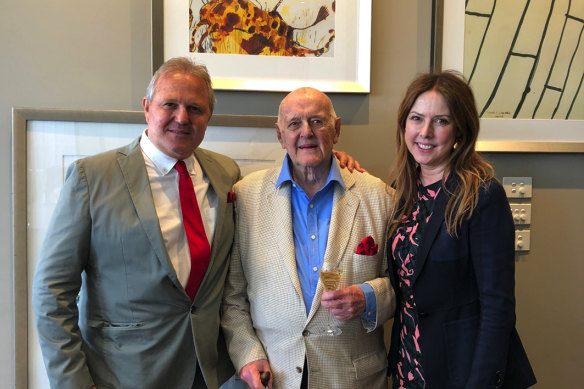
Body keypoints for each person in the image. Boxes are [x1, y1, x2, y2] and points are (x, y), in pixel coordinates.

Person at [31, 57, 241, 389]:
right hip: (122, 375)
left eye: (195, 109)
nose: (182, 118)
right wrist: (73, 382)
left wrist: (337, 163)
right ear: (147, 107)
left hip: (209, 373)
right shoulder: (92, 178)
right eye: (169, 104)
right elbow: (51, 292)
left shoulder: (226, 173)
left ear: (208, 116)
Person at [221, 87, 396, 389]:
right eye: (294, 124)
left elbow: (404, 286)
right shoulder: (246, 196)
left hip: (354, 378)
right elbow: (233, 297)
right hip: (275, 376)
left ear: (336, 129)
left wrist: (369, 297)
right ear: (279, 135)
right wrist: (248, 355)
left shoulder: (380, 196)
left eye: (317, 121)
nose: (306, 132)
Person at [386, 71, 536, 388]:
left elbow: (499, 307)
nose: (425, 132)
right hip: (409, 364)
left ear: (460, 130)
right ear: (404, 124)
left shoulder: (482, 195)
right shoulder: (400, 192)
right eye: (416, 118)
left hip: (462, 372)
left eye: (441, 121)